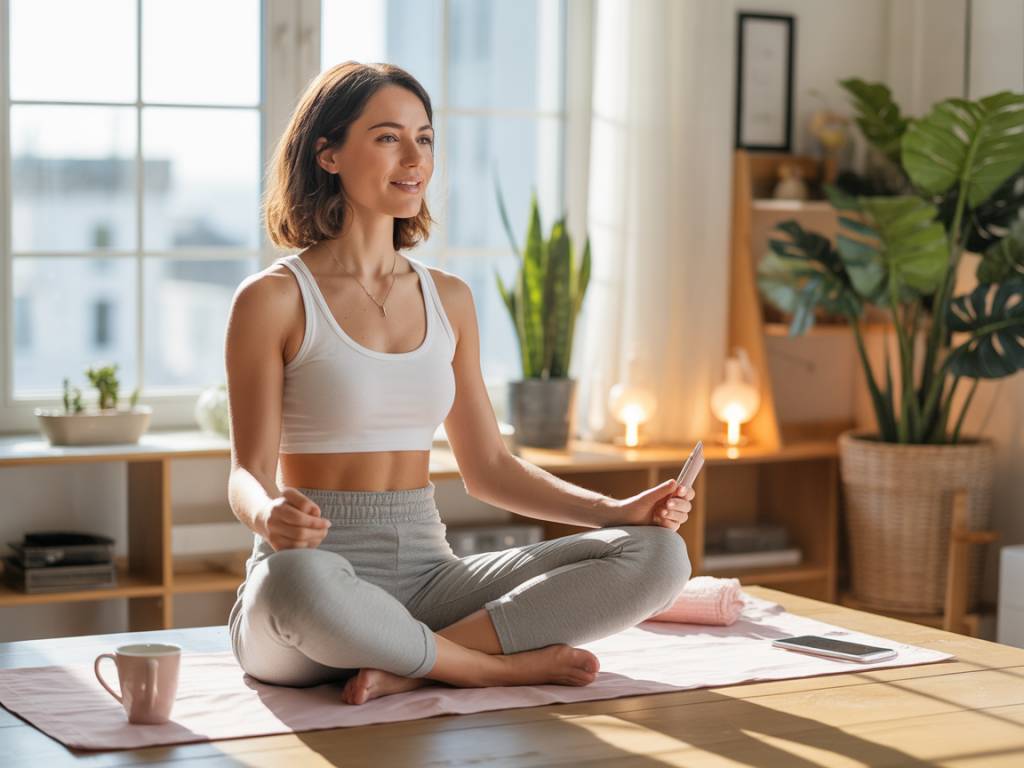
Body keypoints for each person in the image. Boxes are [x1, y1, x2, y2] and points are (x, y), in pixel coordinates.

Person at [224, 61, 694, 706]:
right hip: (315, 585)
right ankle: (487, 668)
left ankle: (415, 664)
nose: (415, 157)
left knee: (659, 557)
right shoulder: (274, 299)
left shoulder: (449, 297)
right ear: (327, 154)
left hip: (429, 580)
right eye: (388, 137)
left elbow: (490, 468)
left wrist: (616, 511)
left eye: (426, 137)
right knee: (292, 582)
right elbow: (244, 472)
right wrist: (268, 513)